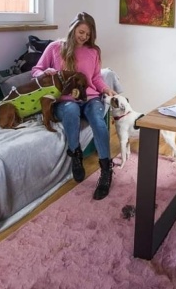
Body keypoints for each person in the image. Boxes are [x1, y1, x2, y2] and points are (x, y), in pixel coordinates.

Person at [32, 12, 117, 200]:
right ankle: (76, 155)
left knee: (98, 120)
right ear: (72, 29)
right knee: (71, 110)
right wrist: (45, 73)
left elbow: (96, 78)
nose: (84, 37)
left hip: (90, 98)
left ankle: (106, 170)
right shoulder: (55, 47)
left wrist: (106, 89)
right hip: (64, 100)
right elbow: (36, 70)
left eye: (88, 34)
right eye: (81, 32)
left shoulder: (93, 51)